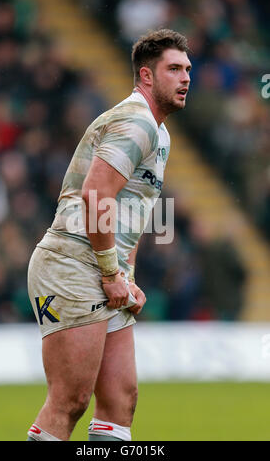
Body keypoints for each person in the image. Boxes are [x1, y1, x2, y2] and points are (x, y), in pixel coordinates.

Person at [26, 28, 191, 442]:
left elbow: (130, 214)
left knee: (121, 398)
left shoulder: (160, 133)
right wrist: (110, 272)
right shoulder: (136, 120)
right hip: (73, 262)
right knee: (70, 401)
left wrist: (126, 278)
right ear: (146, 76)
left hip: (102, 268)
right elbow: (96, 194)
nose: (186, 77)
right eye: (173, 69)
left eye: (188, 69)